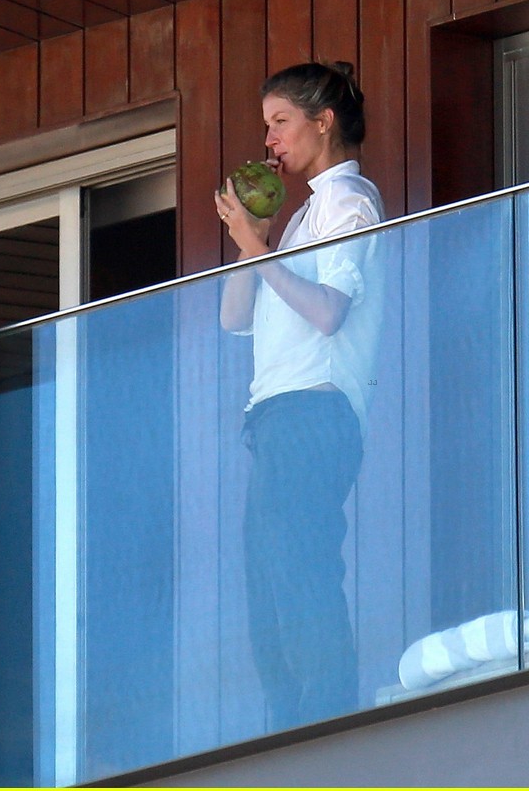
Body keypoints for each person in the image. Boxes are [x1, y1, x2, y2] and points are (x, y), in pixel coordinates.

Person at [215, 61, 385, 730]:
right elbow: (235, 317)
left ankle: (324, 726)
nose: (270, 142)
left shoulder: (349, 201)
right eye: (267, 128)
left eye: (280, 123)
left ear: (324, 121)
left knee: (300, 571)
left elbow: (329, 312)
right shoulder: (302, 216)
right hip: (277, 416)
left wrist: (261, 249)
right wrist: (247, 238)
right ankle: (291, 728)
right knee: (268, 587)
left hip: (314, 410)